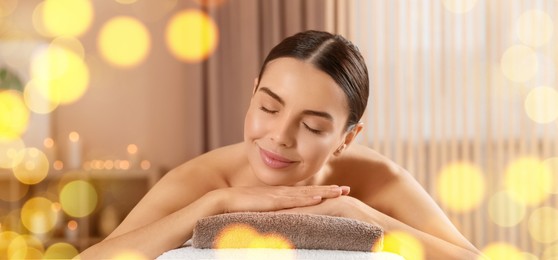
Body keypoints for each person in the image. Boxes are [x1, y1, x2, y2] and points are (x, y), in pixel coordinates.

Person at [81, 30, 483, 259]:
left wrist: (359, 213)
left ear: (347, 138)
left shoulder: (378, 179)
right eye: (269, 108)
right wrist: (213, 203)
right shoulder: (202, 178)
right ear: (253, 93)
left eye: (311, 126)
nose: (280, 136)